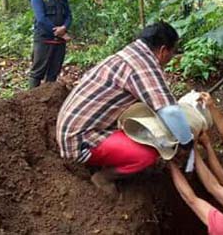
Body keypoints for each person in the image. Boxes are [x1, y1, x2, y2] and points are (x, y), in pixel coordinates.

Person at [56, 22, 193, 194]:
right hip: (80, 141)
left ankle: (109, 157)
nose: (170, 58)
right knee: (148, 154)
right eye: (172, 53)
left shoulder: (129, 55)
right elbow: (169, 111)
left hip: (73, 128)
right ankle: (104, 177)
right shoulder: (143, 65)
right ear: (163, 50)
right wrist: (187, 142)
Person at [28, 0, 72, 88]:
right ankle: (31, 100)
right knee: (37, 72)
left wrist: (64, 27)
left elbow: (69, 15)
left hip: (60, 41)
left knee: (53, 73)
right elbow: (41, 18)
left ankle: (48, 101)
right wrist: (59, 32)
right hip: (44, 39)